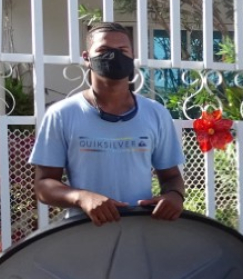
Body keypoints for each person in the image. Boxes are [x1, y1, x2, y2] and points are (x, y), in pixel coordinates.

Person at [30, 21, 187, 226]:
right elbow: (43, 185)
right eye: (104, 50)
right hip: (83, 230)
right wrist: (81, 197)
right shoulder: (61, 114)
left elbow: (171, 177)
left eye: (122, 50)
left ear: (132, 57)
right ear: (87, 58)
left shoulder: (156, 113)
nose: (114, 56)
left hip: (140, 228)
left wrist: (175, 196)